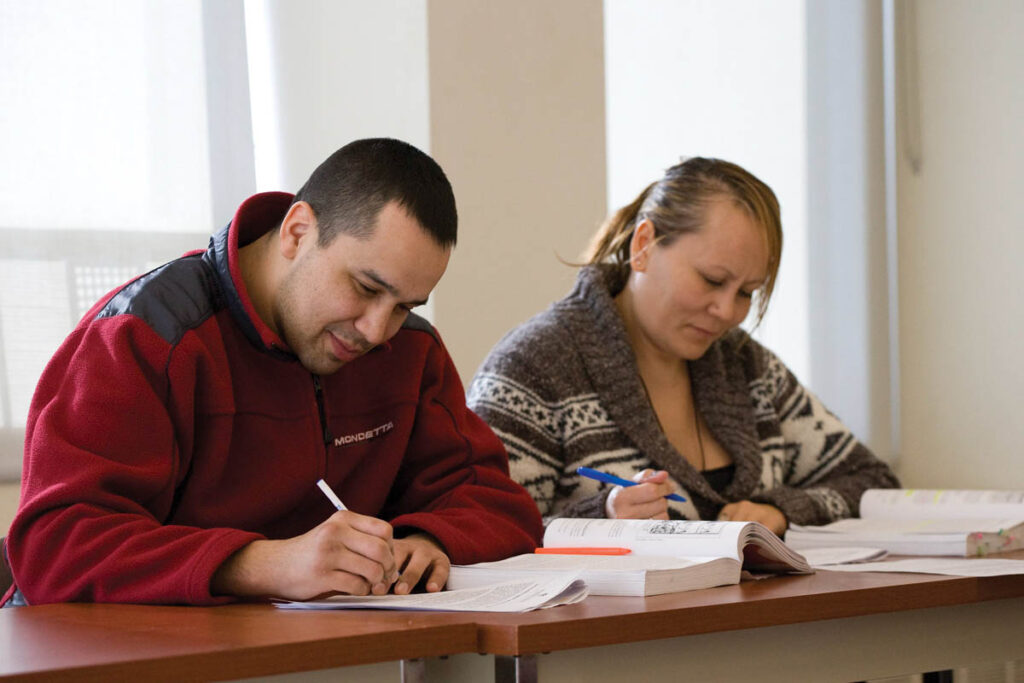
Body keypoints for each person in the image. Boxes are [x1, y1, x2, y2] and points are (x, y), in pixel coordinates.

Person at [2, 138, 543, 607]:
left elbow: (497, 503)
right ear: (297, 231)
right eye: (366, 288)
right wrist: (265, 564)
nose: (378, 331)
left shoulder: (411, 351)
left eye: (405, 305)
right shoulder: (146, 336)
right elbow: (56, 546)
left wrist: (428, 542)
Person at [467, 156, 899, 535]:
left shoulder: (748, 367)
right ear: (643, 246)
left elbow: (872, 484)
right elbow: (482, 529)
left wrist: (781, 511)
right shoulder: (534, 366)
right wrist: (603, 519)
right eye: (712, 280)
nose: (727, 311)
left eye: (748, 292)